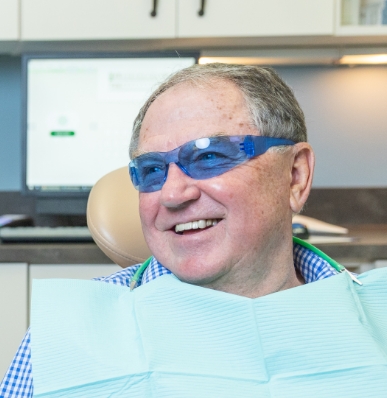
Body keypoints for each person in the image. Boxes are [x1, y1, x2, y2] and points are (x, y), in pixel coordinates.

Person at [0, 63, 372, 397]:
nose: (173, 194)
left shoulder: (374, 326)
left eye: (210, 156)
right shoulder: (68, 337)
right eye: (151, 170)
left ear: (295, 176)